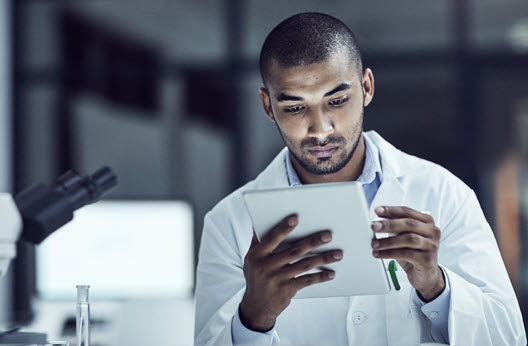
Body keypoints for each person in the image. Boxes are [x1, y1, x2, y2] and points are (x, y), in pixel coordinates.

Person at [194, 12, 526, 345]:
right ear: (268, 106)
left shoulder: (444, 195)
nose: (321, 128)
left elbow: (509, 338)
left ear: (366, 87)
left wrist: (436, 287)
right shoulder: (228, 224)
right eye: (295, 108)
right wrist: (254, 318)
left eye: (336, 101)